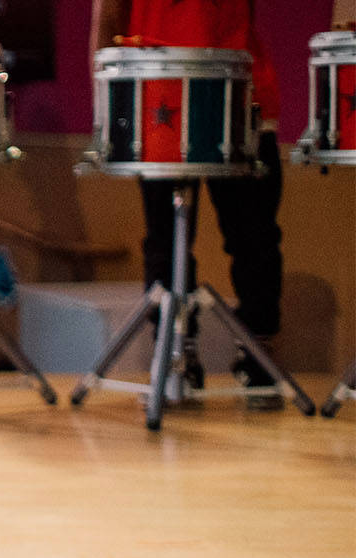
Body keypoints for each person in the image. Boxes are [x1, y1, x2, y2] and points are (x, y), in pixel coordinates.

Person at [90, 0, 283, 402]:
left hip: (240, 91)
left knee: (255, 239)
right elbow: (107, 14)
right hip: (158, 93)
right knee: (165, 241)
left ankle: (259, 357)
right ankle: (176, 356)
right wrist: (107, 109)